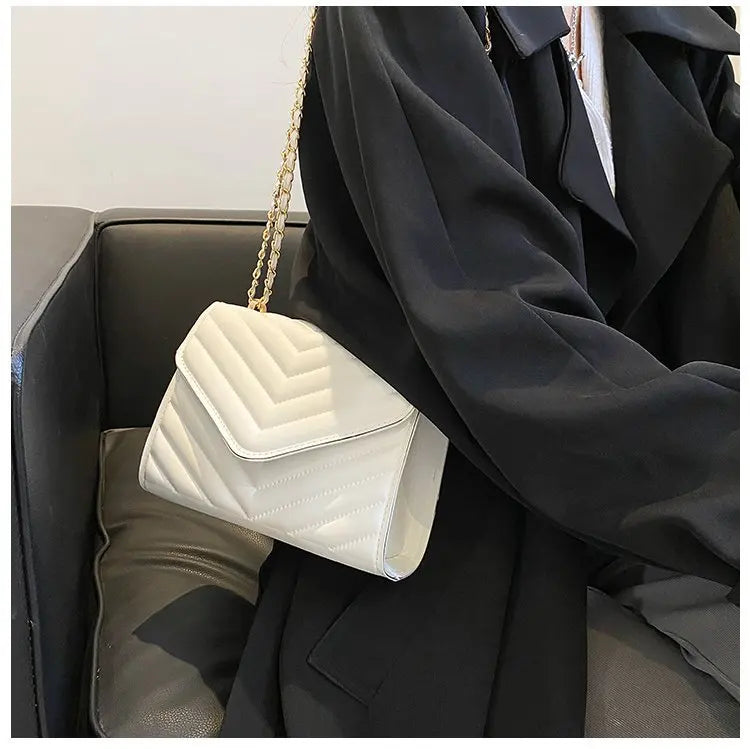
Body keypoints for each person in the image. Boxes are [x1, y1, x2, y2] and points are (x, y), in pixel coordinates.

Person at [222, 7, 739, 736]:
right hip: (444, 522)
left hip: (640, 489)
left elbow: (716, 271)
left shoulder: (669, 23)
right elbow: (494, 323)